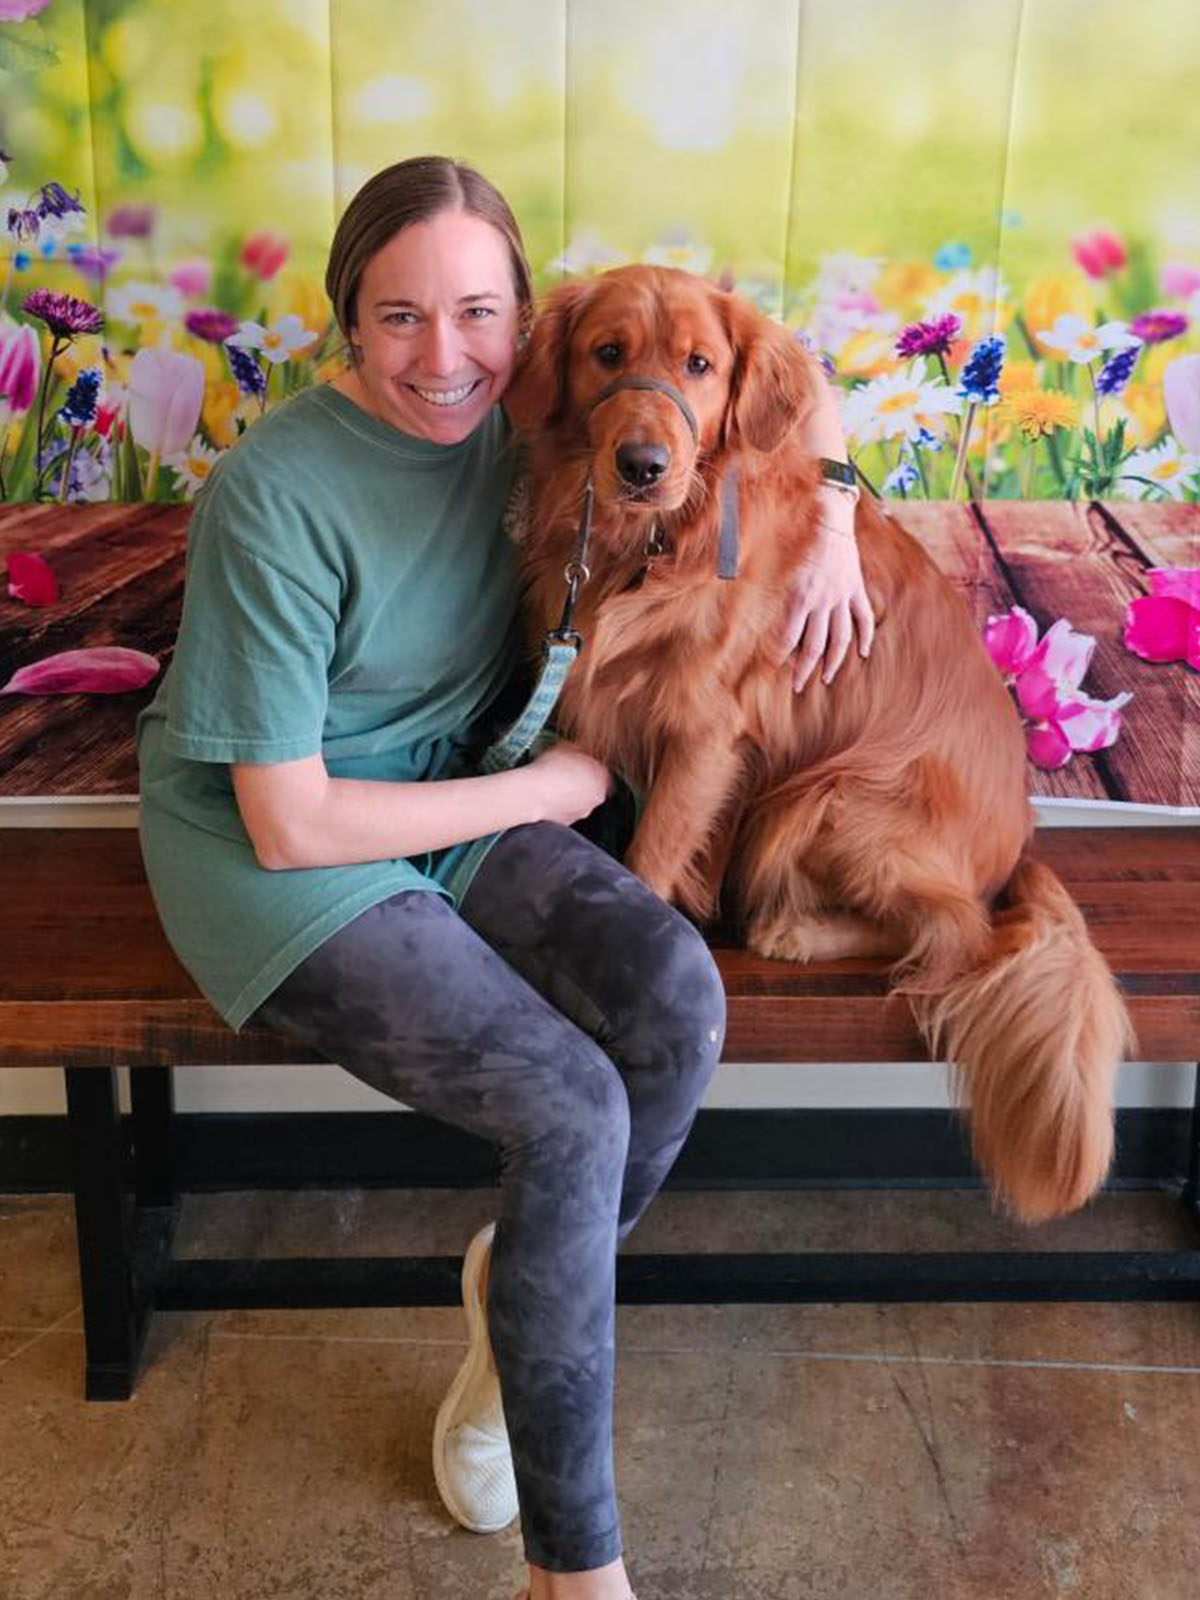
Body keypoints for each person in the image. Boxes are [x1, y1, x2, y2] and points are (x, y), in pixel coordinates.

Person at [136, 155, 873, 1600]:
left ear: (527, 328)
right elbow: (286, 822)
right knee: (572, 1109)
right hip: (286, 860)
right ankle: (576, 1569)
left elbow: (787, 377)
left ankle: (505, 1316)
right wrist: (544, 789)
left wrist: (836, 523)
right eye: (400, 317)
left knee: (675, 999)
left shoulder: (545, 414)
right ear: (349, 318)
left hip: (446, 799)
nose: (442, 357)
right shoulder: (274, 493)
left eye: (477, 314)